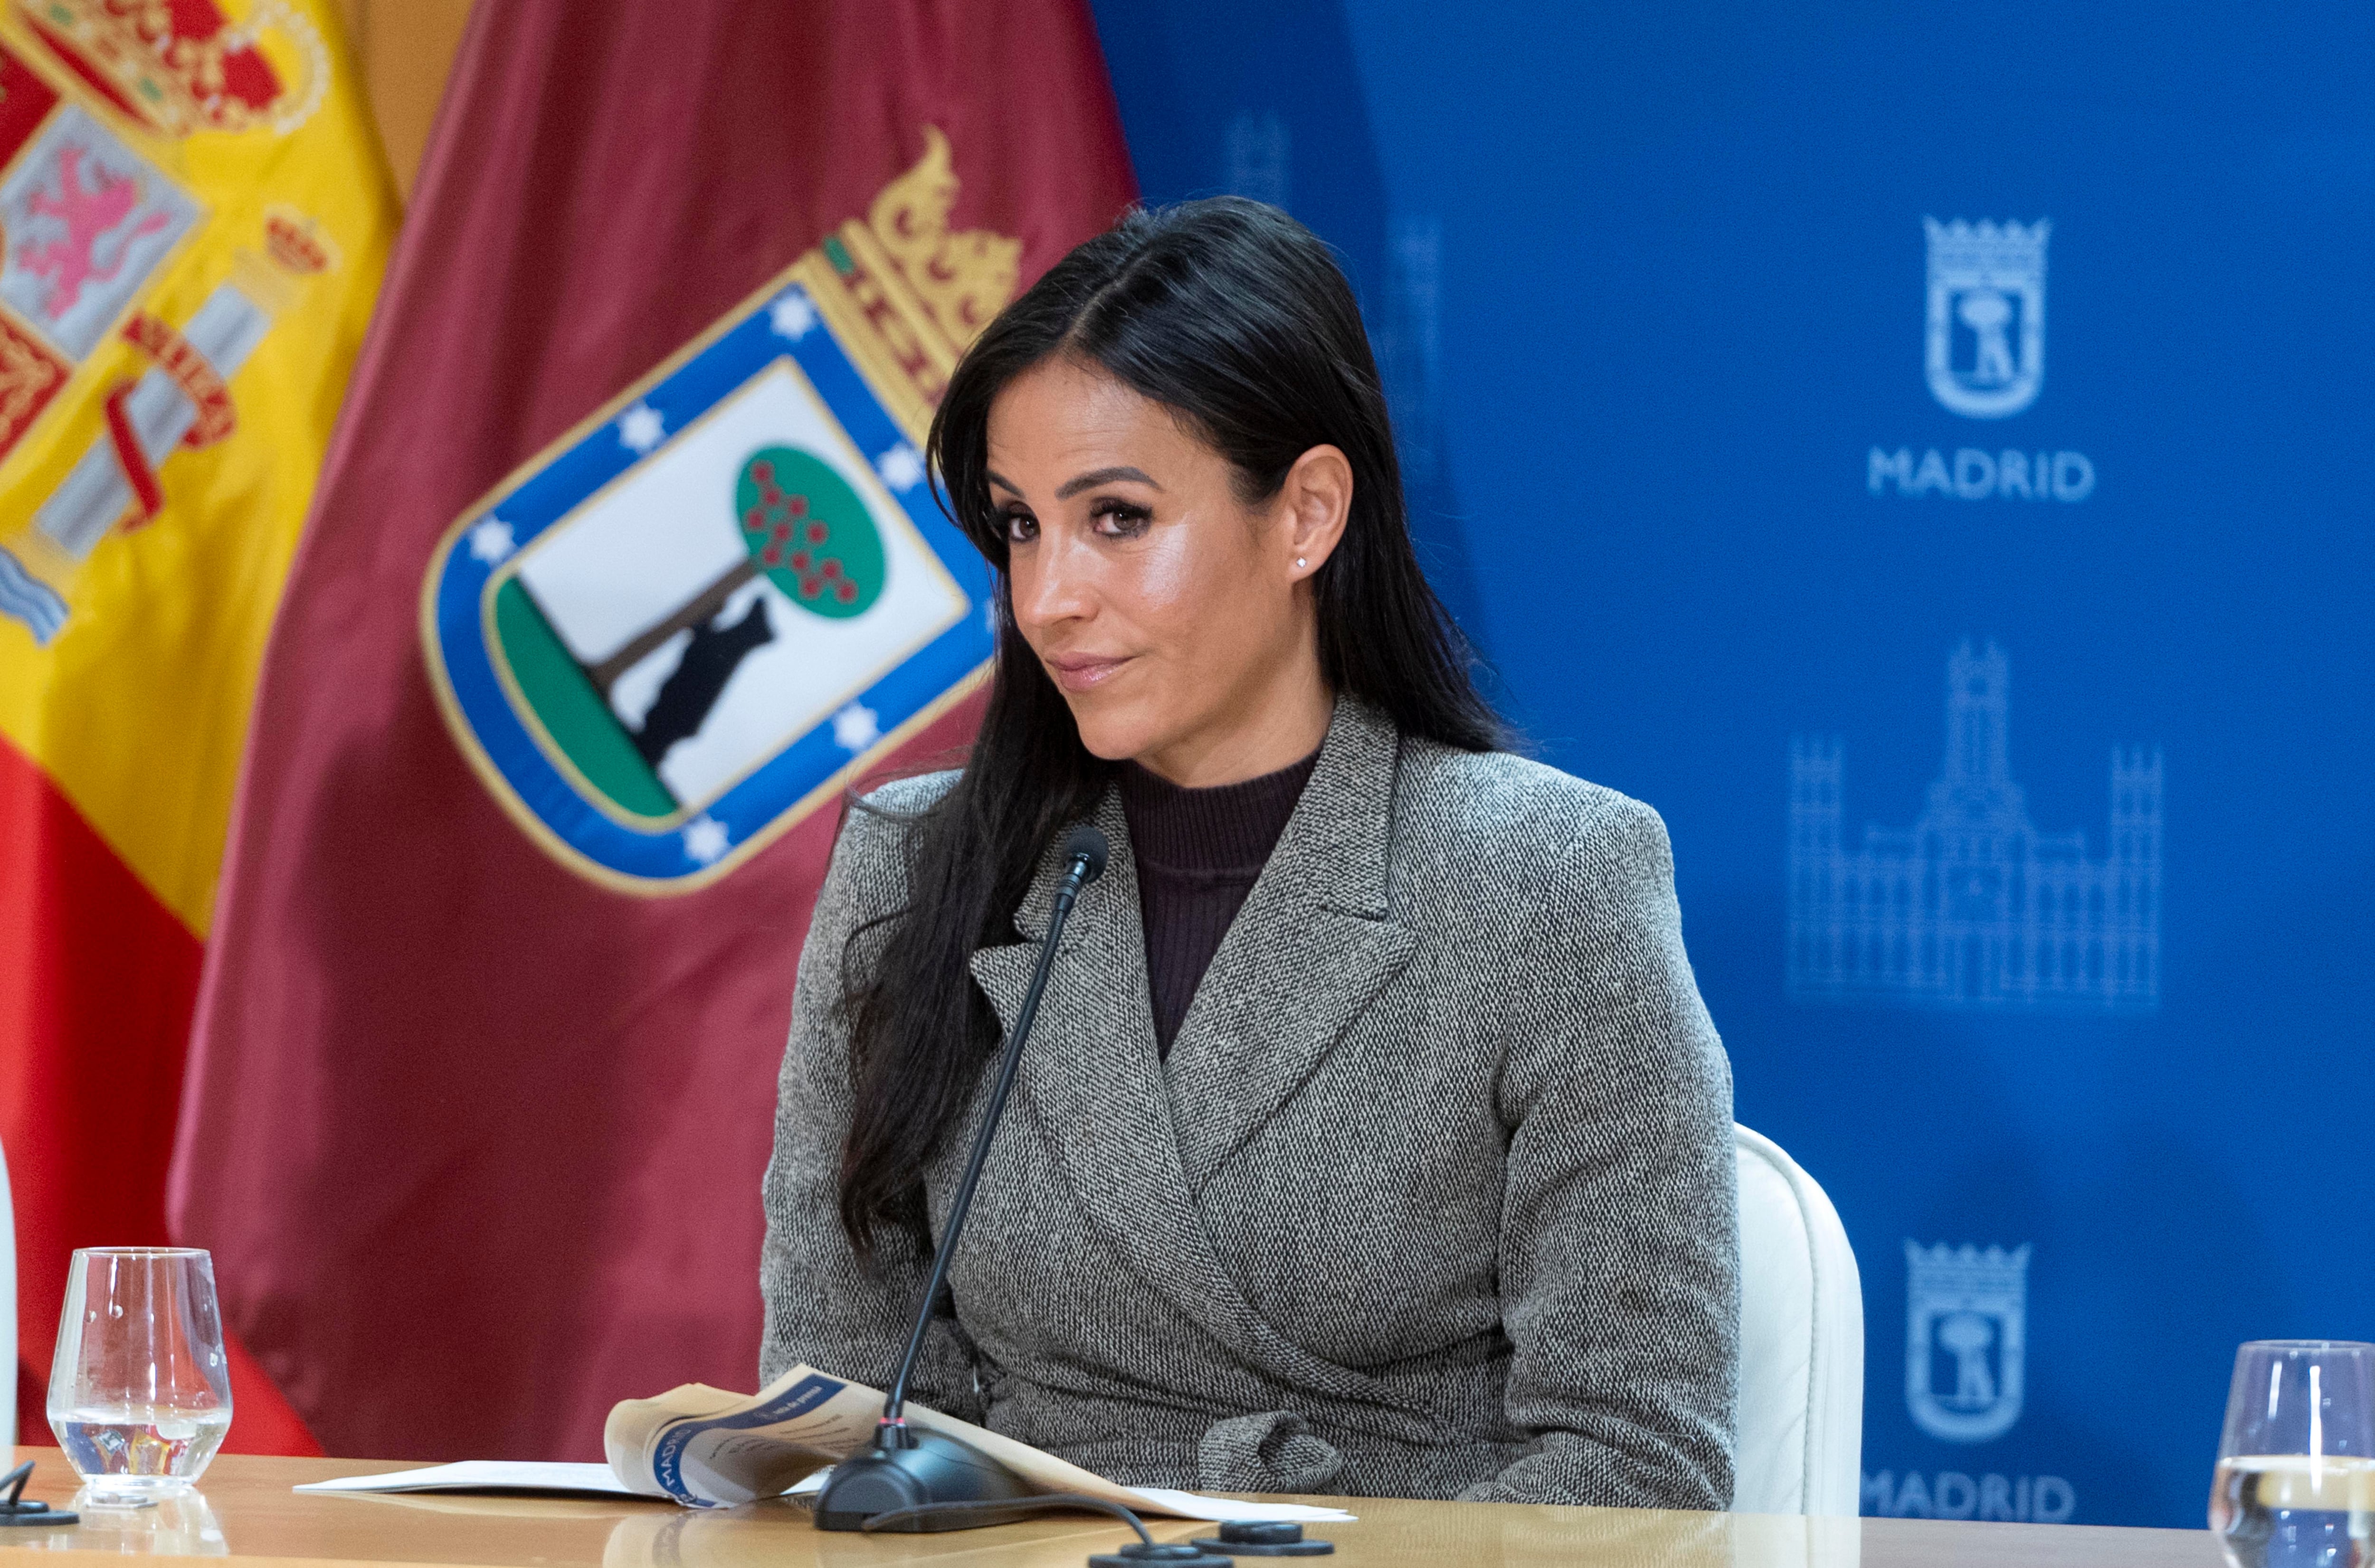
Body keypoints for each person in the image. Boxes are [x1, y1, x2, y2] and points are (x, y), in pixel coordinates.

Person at [760, 197, 1738, 1510]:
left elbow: (1639, 1470)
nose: (1047, 597)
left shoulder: (1552, 879)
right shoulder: (913, 866)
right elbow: (842, 1397)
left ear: (1308, 515)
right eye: (1019, 527)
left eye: (1116, 519)